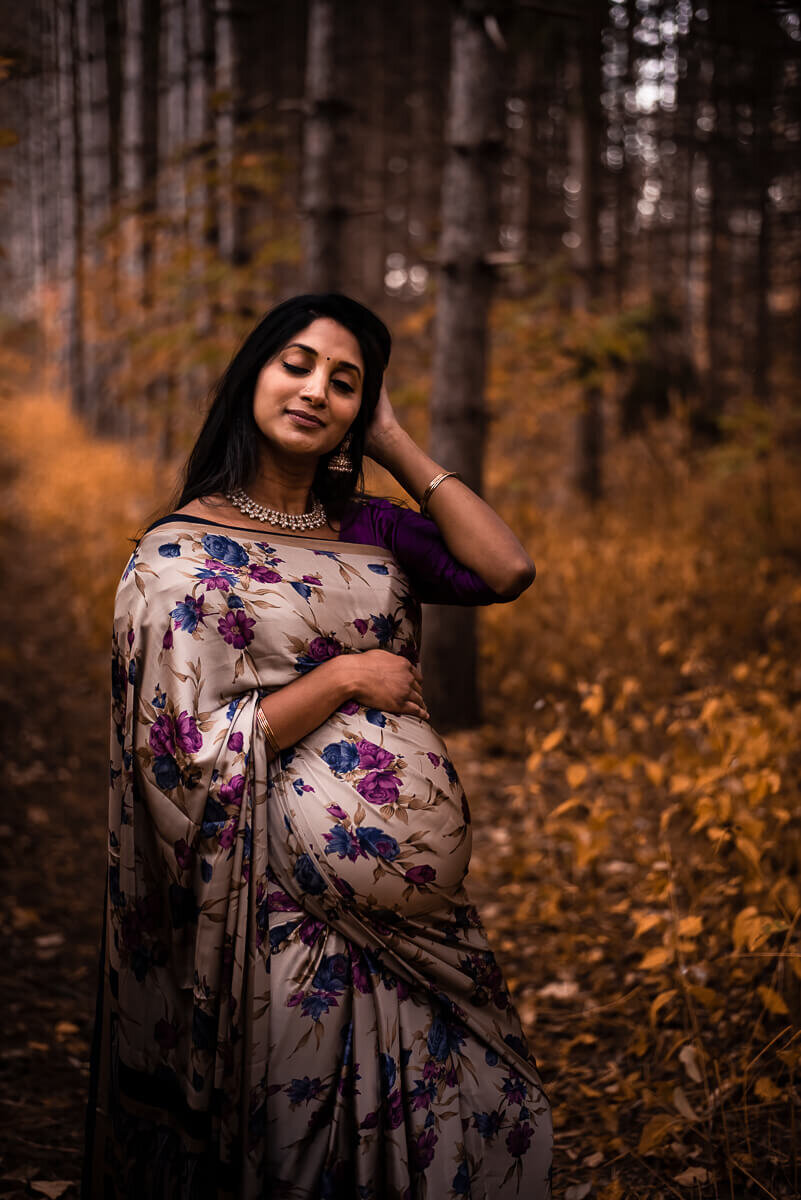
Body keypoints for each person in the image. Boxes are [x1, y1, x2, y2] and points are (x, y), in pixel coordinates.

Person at [82, 293, 553, 1199]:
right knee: (305, 1153)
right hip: (270, 908)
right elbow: (179, 757)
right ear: (251, 372)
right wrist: (342, 679)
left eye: (344, 382)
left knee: (471, 1131)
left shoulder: (368, 526)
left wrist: (394, 441)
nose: (314, 391)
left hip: (416, 928)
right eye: (295, 364)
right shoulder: (179, 551)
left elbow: (506, 569)